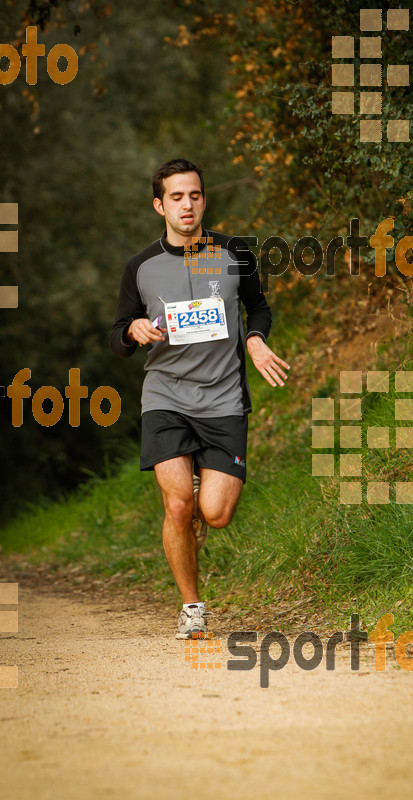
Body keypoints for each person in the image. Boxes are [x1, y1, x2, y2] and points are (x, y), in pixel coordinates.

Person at [111, 158, 290, 639]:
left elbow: (259, 307)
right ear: (159, 205)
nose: (186, 205)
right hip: (165, 396)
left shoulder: (235, 253)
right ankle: (192, 607)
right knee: (177, 508)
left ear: (204, 200)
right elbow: (116, 336)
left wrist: (255, 338)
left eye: (194, 195)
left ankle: (198, 503)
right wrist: (133, 329)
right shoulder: (140, 267)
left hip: (223, 398)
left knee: (215, 513)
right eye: (175, 197)